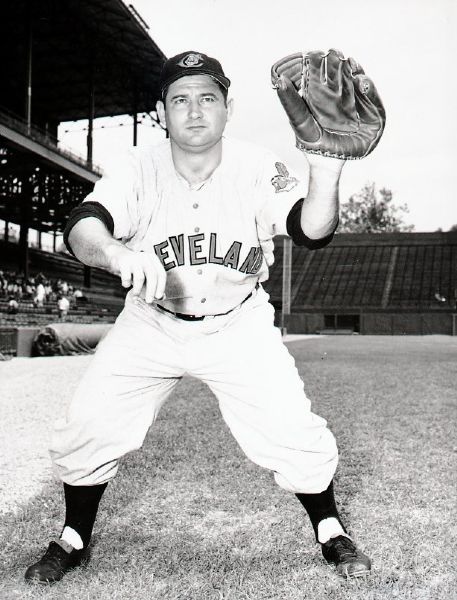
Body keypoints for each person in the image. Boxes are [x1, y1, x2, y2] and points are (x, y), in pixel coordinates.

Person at [25, 50, 378, 585]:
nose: (194, 111)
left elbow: (312, 230)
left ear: (228, 108)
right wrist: (119, 254)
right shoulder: (137, 167)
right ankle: (73, 536)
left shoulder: (257, 166)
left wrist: (326, 168)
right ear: (161, 112)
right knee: (88, 425)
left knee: (291, 429)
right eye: (180, 99)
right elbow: (83, 225)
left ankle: (329, 527)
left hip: (237, 323)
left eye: (207, 98)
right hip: (153, 323)